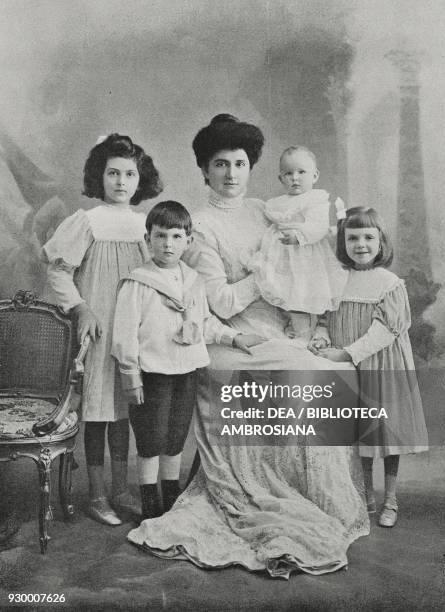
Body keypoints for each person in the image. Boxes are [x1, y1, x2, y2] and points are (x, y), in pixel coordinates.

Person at [127, 115, 369, 578]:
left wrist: (310, 321)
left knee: (323, 370)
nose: (232, 173)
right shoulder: (196, 225)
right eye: (221, 164)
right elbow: (219, 300)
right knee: (291, 370)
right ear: (204, 170)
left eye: (240, 163)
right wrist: (266, 274)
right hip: (226, 336)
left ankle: (310, 494)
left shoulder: (268, 209)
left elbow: (307, 265)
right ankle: (252, 491)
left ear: (251, 166)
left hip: (279, 327)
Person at [111, 201, 264, 520]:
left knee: (176, 434)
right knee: (151, 437)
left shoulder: (193, 280)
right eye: (161, 236)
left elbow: (204, 322)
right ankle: (150, 499)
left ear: (188, 241)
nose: (168, 244)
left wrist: (233, 337)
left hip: (187, 369)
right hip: (151, 373)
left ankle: (171, 494)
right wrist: (131, 377)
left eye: (177, 236)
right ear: (148, 238)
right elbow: (124, 335)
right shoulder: (137, 282)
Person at [43, 134, 163, 525]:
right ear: (100, 176)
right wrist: (80, 307)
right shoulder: (87, 221)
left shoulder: (146, 226)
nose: (121, 182)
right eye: (113, 173)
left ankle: (121, 489)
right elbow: (59, 270)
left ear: (140, 179)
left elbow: (157, 277)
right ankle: (96, 494)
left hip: (133, 333)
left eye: (130, 173)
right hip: (97, 331)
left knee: (125, 412)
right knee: (97, 412)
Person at [314, 206, 428, 528]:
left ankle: (390, 498)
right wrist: (322, 339)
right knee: (357, 434)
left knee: (386, 433)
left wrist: (348, 353)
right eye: (352, 238)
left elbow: (385, 330)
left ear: (381, 241)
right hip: (348, 367)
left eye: (368, 237)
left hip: (380, 363)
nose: (360, 244)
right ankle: (364, 496)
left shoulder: (389, 283)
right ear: (343, 242)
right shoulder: (337, 280)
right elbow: (324, 318)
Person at [245, 146, 346, 341]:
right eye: (288, 173)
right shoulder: (277, 202)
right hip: (282, 255)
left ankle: (307, 332)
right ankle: (294, 324)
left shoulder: (315, 199)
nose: (295, 178)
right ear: (281, 178)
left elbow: (318, 226)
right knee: (285, 291)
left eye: (301, 172)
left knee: (304, 291)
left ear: (315, 176)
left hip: (306, 256)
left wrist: (299, 237)